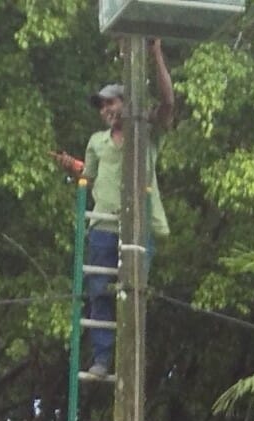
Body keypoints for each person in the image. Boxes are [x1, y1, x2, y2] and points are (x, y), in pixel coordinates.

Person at [69, 45, 174, 377]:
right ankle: (102, 358)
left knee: (133, 294)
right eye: (102, 106)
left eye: (110, 103)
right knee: (99, 292)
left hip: (138, 225)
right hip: (103, 225)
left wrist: (156, 53)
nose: (105, 110)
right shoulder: (97, 141)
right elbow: (90, 177)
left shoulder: (146, 132)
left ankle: (131, 360)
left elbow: (168, 103)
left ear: (126, 105)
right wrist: (73, 168)